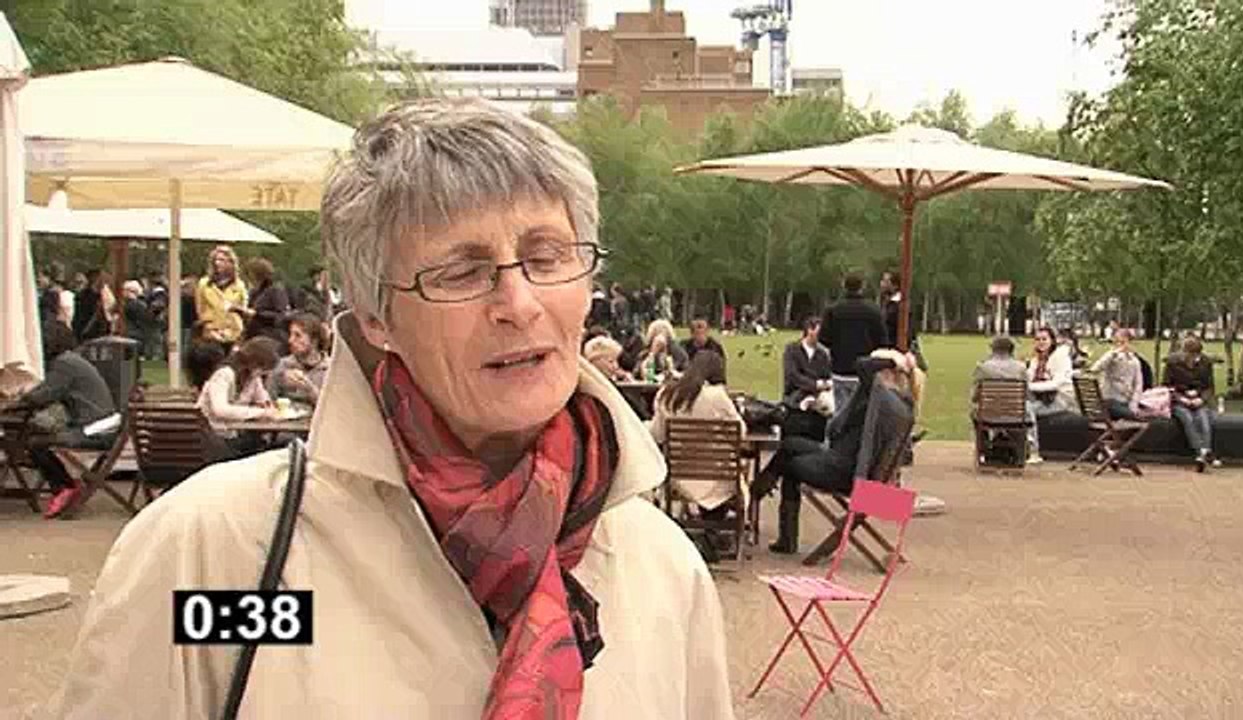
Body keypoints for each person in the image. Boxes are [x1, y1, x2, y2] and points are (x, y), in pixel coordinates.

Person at [54, 97, 732, 719]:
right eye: (461, 272)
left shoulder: (660, 571)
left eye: (547, 257)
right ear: (375, 316)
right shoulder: (224, 556)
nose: (519, 304)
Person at [759, 349, 912, 555]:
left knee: (788, 466)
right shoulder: (894, 403)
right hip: (841, 460)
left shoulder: (882, 398)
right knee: (789, 445)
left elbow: (862, 365)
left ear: (884, 372)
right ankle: (757, 493)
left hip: (845, 472)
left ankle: (771, 520)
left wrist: (893, 362)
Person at [8, 322, 119, 518]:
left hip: (95, 430)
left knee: (36, 443)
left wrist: (13, 404)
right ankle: (63, 485)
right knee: (37, 434)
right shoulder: (71, 361)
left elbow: (42, 396)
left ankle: (64, 486)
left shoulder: (64, 364)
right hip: (102, 426)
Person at [648, 351, 746, 514]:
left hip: (679, 477)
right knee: (736, 469)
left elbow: (657, 435)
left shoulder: (666, 395)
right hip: (717, 476)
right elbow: (740, 433)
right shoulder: (717, 396)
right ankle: (716, 518)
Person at [195, 335, 281, 460]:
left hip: (230, 435)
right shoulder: (224, 374)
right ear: (255, 363)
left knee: (264, 446)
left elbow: (263, 400)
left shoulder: (252, 377)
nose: (264, 374)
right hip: (210, 436)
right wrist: (260, 413)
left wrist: (267, 407)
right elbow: (220, 410)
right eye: (264, 369)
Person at [819, 271, 889, 416]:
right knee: (864, 413)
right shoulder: (873, 311)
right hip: (865, 370)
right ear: (862, 287)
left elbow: (824, 339)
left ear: (843, 286)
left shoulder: (833, 310)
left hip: (840, 369)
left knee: (840, 411)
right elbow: (882, 341)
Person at [972, 335, 1043, 464]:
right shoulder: (1021, 368)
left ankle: (983, 448)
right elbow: (1027, 394)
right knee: (1026, 409)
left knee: (975, 413)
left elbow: (975, 397)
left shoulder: (983, 367)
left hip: (988, 414)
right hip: (1016, 415)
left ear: (993, 349)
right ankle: (1024, 451)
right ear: (1012, 350)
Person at [1164, 336, 1221, 471]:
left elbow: (1209, 387)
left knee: (1203, 419)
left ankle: (1203, 453)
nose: (1192, 359)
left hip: (1198, 399)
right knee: (1187, 418)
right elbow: (1167, 386)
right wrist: (1181, 398)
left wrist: (1201, 398)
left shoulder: (1205, 363)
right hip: (1179, 400)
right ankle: (1203, 452)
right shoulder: (1172, 363)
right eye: (1189, 356)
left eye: (1195, 356)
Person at [781, 317, 833, 443]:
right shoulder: (792, 350)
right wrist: (815, 384)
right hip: (794, 397)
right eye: (819, 332)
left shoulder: (823, 354)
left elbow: (826, 375)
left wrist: (825, 384)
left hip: (816, 401)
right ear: (810, 330)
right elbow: (792, 376)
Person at [268, 313, 331, 407]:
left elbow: (332, 408)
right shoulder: (283, 364)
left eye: (298, 335)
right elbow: (268, 400)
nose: (290, 340)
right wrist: (279, 380)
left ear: (314, 340)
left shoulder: (330, 370)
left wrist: (309, 389)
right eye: (290, 334)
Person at [194, 244, 248, 351]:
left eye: (222, 260)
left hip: (233, 333)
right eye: (216, 260)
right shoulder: (204, 283)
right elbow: (200, 309)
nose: (217, 263)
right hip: (211, 332)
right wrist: (209, 325)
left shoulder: (239, 285)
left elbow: (243, 308)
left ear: (231, 263)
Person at [239, 257, 292, 348]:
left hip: (270, 336)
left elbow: (281, 315)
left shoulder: (276, 290)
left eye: (251, 273)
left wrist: (258, 314)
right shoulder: (254, 292)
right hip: (252, 334)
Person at [1090, 327, 1143, 420]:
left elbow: (1138, 384)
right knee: (1132, 415)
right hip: (1109, 401)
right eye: (1116, 342)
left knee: (1135, 413)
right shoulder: (1110, 357)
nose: (1119, 345)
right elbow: (1095, 368)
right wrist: (1113, 353)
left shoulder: (1134, 361)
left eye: (1122, 342)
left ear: (1129, 343)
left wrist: (1134, 403)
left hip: (1125, 401)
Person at [1027, 326, 1078, 420]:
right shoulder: (1036, 360)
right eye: (1037, 339)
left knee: (1027, 409)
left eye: (1044, 339)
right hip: (1042, 399)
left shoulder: (1060, 357)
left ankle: (1032, 430)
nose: (1041, 342)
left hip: (1061, 400)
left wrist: (1029, 386)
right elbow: (1028, 377)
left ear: (1052, 341)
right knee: (1020, 406)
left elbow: (1056, 384)